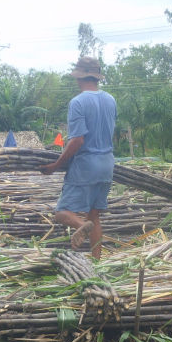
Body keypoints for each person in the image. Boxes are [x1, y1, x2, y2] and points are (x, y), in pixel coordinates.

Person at [40, 57, 116, 259]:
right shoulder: (110, 100)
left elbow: (77, 141)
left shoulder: (78, 102)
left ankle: (82, 226)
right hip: (107, 163)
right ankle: (97, 261)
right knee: (95, 215)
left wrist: (56, 165)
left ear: (79, 77)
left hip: (86, 166)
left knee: (61, 213)